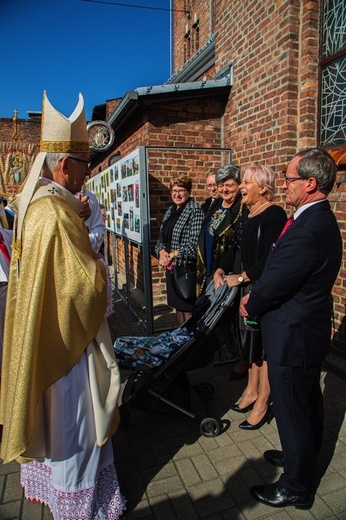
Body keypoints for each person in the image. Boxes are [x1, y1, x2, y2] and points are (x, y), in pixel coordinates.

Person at [0, 92, 125, 519]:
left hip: (52, 333)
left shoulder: (40, 206)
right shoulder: (54, 211)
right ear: (63, 165)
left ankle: (57, 491)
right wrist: (102, 267)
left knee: (56, 420)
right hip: (68, 344)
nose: (89, 172)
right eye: (85, 164)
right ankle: (80, 505)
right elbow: (82, 287)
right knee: (77, 423)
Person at [239, 149, 342, 509]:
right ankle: (301, 458)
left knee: (292, 408)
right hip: (304, 330)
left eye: (289, 179)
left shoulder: (309, 226)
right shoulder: (317, 220)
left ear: (310, 184)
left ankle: (296, 486)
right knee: (307, 400)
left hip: (292, 333)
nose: (284, 185)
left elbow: (278, 279)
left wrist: (251, 301)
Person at [214, 164, 287, 429]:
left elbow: (271, 259)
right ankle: (251, 389)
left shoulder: (275, 215)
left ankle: (263, 401)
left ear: (264, 188)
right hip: (245, 286)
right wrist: (221, 268)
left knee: (263, 347)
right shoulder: (248, 214)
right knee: (252, 345)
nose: (241, 186)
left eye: (246, 182)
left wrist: (243, 277)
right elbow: (235, 249)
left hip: (260, 287)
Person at [156, 174, 204, 326]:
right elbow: (161, 238)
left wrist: (173, 255)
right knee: (177, 306)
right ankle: (179, 338)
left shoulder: (194, 211)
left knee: (187, 308)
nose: (177, 194)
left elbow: (195, 244)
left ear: (189, 191)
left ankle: (189, 343)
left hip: (185, 270)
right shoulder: (171, 211)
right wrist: (162, 252)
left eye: (181, 190)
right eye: (174, 190)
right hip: (172, 269)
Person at [196, 165, 244, 297]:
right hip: (207, 266)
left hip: (225, 270)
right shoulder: (216, 204)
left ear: (239, 185)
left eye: (229, 185)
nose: (224, 189)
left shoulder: (242, 208)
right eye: (221, 185)